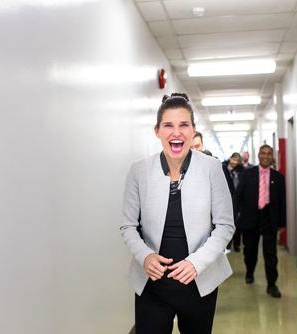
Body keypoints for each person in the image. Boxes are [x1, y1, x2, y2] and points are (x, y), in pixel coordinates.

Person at [120, 93, 235, 333]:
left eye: (184, 125)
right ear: (157, 131)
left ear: (193, 130)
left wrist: (196, 263)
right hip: (152, 285)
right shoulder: (139, 171)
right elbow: (128, 226)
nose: (176, 132)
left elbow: (225, 226)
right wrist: (145, 256)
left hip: (199, 282)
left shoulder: (212, 168)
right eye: (168, 125)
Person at [235, 144, 286, 298]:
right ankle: (249, 271)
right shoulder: (247, 173)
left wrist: (282, 224)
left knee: (270, 253)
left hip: (269, 218)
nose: (265, 156)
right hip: (250, 217)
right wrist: (238, 215)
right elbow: (238, 195)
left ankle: (272, 284)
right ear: (258, 155)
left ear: (272, 157)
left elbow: (282, 202)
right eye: (263, 153)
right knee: (250, 250)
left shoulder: (278, 177)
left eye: (269, 154)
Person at [222, 152, 245, 253]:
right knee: (227, 222)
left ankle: (237, 244)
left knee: (237, 224)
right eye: (233, 159)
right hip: (225, 199)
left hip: (237, 200)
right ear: (230, 158)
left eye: (237, 161)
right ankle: (227, 244)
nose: (234, 162)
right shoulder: (223, 168)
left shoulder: (242, 170)